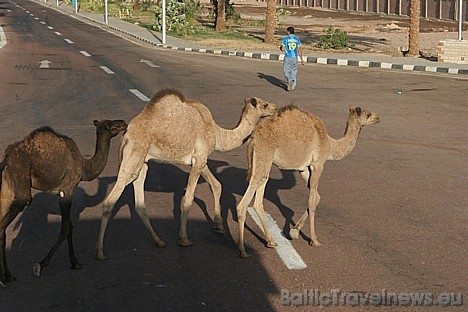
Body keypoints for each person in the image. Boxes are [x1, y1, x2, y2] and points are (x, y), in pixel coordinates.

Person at [280, 26, 305, 91]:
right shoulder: (297, 39)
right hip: (295, 57)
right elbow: (299, 50)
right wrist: (301, 59)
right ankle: (292, 86)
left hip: (288, 57)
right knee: (294, 71)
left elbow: (282, 49)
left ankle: (289, 79)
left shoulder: (285, 39)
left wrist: (281, 47)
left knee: (286, 71)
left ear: (288, 32)